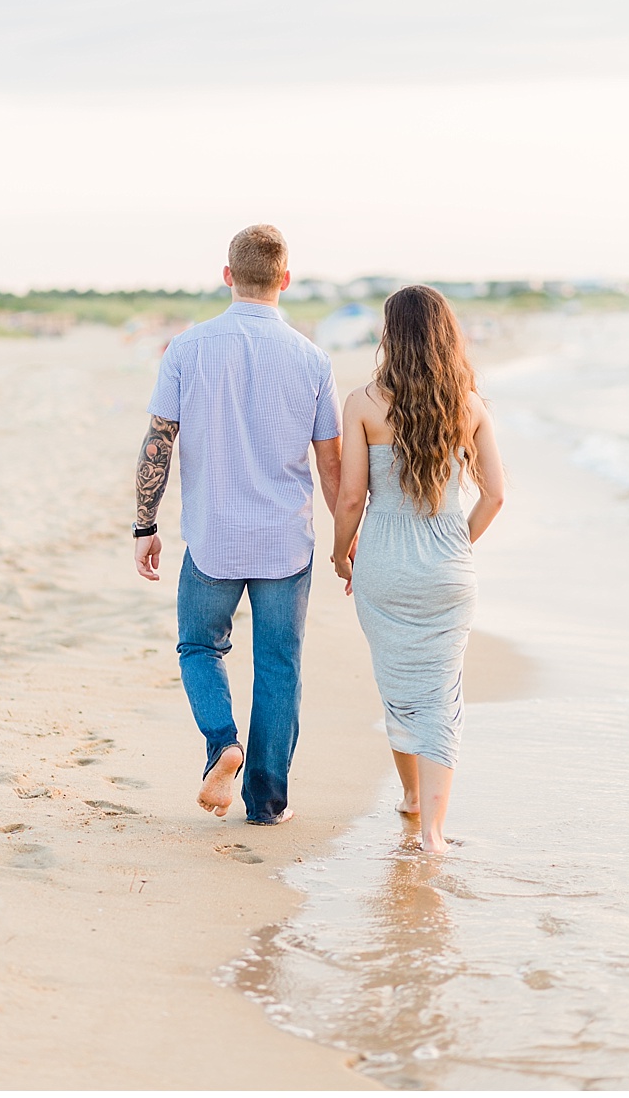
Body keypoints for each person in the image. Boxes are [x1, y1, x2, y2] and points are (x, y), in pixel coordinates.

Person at [134, 224, 342, 825]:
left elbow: (158, 443)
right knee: (280, 665)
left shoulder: (187, 349)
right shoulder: (311, 358)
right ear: (285, 279)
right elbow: (330, 463)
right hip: (285, 541)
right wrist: (346, 543)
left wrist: (144, 526)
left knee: (200, 646)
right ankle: (267, 804)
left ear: (227, 276)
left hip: (213, 537)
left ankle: (222, 744)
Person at [330, 285, 505, 855]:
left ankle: (409, 795)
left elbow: (352, 498)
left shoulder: (362, 402)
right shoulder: (470, 405)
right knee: (441, 693)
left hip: (382, 563)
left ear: (390, 335)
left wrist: (340, 553)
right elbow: (495, 496)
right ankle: (430, 830)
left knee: (398, 688)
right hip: (448, 567)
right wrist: (458, 543)